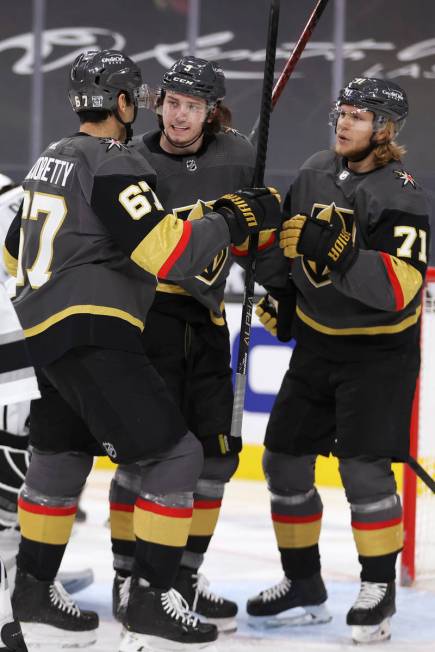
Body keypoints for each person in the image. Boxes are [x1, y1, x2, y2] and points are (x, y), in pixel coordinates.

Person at [3, 49, 280, 650]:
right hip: (96, 329)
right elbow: (167, 253)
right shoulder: (115, 159)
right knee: (176, 457)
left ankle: (31, 596)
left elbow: (10, 250)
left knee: (62, 448)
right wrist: (229, 221)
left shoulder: (49, 159)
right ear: (128, 103)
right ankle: (152, 599)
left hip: (42, 335)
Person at [247, 78, 430, 644]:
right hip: (320, 344)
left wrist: (346, 253)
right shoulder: (314, 171)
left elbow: (401, 288)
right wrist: (276, 283)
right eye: (342, 112)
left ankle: (378, 590)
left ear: (386, 129)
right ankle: (303, 584)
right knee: (281, 459)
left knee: (363, 471)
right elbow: (289, 249)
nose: (344, 123)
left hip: (379, 352)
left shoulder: (403, 193)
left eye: (359, 115)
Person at [109, 55, 286, 635]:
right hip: (142, 320)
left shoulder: (240, 157)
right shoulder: (132, 158)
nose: (180, 116)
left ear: (213, 114)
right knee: (145, 455)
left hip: (207, 323)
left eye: (194, 106)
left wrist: (274, 272)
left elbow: (261, 237)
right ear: (158, 103)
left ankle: (179, 581)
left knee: (215, 460)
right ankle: (129, 577)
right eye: (173, 103)